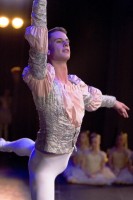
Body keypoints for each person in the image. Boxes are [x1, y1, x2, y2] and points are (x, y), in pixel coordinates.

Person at [0, 0, 130, 199]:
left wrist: (115, 102)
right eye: (59, 41)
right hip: (44, 167)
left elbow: (94, 98)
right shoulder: (43, 81)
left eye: (67, 40)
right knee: (33, 151)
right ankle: (5, 145)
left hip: (63, 158)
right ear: (48, 50)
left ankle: (5, 144)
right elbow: (39, 36)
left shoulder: (75, 85)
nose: (66, 42)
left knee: (30, 147)